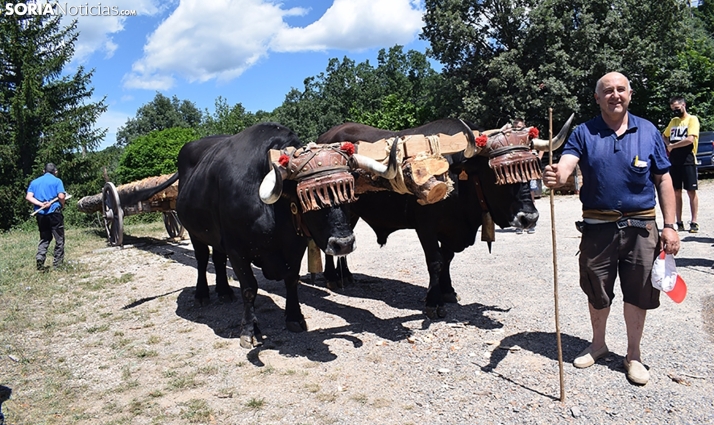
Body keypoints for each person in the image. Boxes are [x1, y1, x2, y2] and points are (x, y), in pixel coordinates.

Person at [543, 72, 680, 385]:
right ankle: (599, 344)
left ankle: (633, 355)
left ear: (630, 94)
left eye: (621, 89)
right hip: (597, 228)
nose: (615, 95)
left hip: (642, 228)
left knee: (639, 292)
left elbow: (664, 179)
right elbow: (567, 163)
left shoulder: (648, 130)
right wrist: (558, 175)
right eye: (608, 91)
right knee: (597, 289)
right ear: (597, 98)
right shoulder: (584, 132)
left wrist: (670, 226)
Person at [663, 96, 700, 233]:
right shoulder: (673, 121)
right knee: (676, 192)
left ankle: (694, 221)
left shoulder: (692, 120)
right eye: (673, 109)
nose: (675, 112)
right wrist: (668, 145)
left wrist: (673, 145)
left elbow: (690, 139)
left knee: (691, 191)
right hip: (675, 160)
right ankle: (678, 221)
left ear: (683, 105)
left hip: (688, 159)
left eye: (677, 109)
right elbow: (664, 135)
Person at [26, 163, 66, 270]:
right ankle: (58, 264)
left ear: (44, 171)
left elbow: (28, 197)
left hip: (40, 214)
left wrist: (40, 204)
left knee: (44, 238)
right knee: (59, 238)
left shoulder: (34, 182)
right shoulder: (57, 181)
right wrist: (62, 204)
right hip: (54, 213)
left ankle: (40, 258)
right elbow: (61, 196)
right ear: (55, 172)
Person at [513, 118, 540, 234]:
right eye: (516, 127)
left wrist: (538, 156)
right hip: (516, 170)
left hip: (529, 169)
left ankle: (531, 224)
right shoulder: (511, 136)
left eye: (520, 126)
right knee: (517, 196)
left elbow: (539, 146)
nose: (518, 129)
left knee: (530, 196)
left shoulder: (530, 134)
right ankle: (519, 224)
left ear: (524, 125)